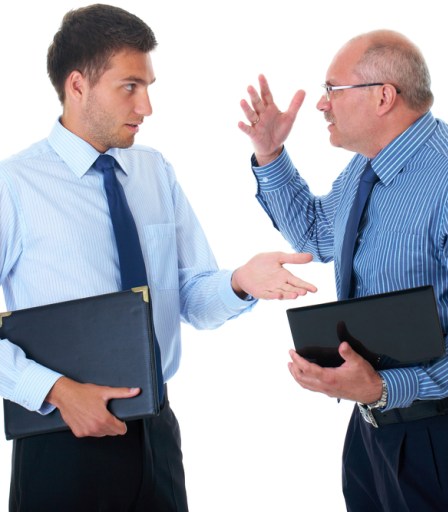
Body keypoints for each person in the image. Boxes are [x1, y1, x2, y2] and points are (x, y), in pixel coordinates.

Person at [0, 4, 318, 512]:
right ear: (78, 85)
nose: (146, 106)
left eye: (148, 86)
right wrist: (55, 391)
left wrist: (239, 281)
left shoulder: (154, 171)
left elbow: (187, 291)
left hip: (157, 432)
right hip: (62, 436)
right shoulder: (14, 186)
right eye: (130, 87)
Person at [239, 29, 448, 512]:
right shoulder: (367, 169)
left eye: (333, 89)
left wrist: (385, 388)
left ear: (384, 96)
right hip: (372, 433)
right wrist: (269, 153)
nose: (322, 104)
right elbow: (317, 233)